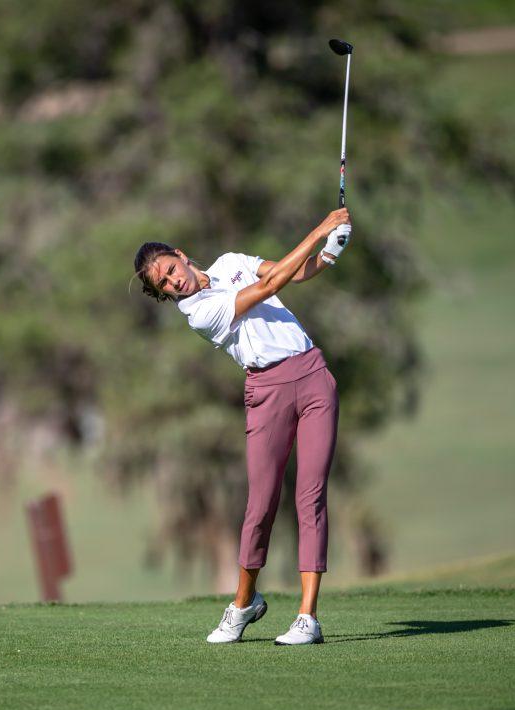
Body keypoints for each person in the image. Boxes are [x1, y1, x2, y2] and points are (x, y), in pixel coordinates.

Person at [132, 208, 352, 645]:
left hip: (312, 376)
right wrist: (320, 229)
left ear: (181, 255)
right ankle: (244, 602)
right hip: (267, 390)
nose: (175, 282)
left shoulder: (231, 262)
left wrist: (330, 251)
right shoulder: (198, 313)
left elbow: (293, 274)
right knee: (261, 505)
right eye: (165, 284)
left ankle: (308, 617)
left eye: (172, 270)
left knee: (310, 497)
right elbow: (269, 286)